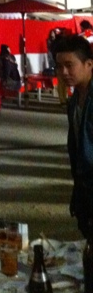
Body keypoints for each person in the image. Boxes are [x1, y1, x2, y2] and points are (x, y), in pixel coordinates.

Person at [52, 35, 93, 237]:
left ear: (89, 64)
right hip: (85, 189)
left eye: (69, 65)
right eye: (59, 67)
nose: (64, 72)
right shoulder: (75, 100)